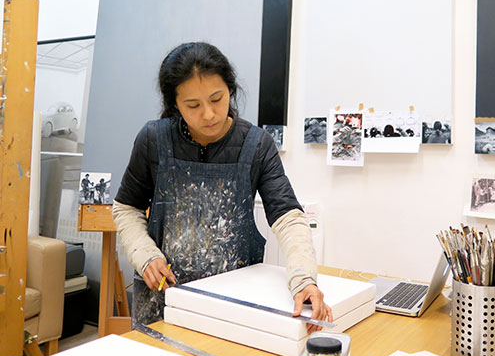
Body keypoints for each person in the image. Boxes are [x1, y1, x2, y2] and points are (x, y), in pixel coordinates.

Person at [112, 42, 332, 330]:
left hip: (231, 305)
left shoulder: (256, 145)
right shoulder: (153, 139)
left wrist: (304, 279)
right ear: (174, 105)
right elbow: (127, 207)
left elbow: (287, 217)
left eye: (217, 99)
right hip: (162, 299)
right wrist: (145, 255)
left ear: (230, 89)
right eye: (192, 105)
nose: (209, 114)